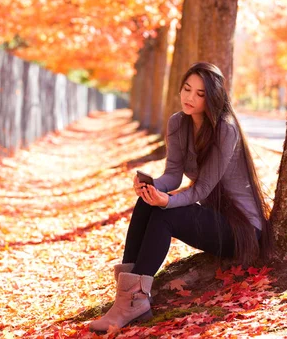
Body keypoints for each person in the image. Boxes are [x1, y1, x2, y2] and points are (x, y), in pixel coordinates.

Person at [89, 62, 273, 333]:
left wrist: (167, 201)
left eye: (200, 94)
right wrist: (150, 187)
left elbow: (202, 190)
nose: (190, 97)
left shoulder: (225, 128)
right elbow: (172, 176)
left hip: (242, 230)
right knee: (146, 202)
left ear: (213, 97)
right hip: (215, 219)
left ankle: (133, 302)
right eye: (187, 89)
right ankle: (126, 298)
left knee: (167, 214)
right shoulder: (178, 123)